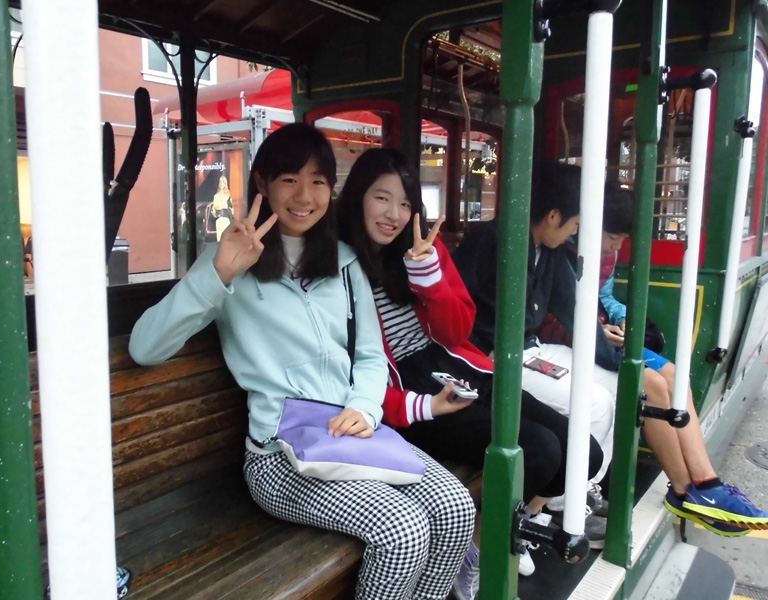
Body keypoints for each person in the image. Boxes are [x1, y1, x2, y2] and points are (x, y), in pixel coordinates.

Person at [129, 123, 475, 600]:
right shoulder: (229, 260)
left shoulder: (345, 263)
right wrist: (218, 274)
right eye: (289, 179)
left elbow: (370, 355)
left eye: (318, 181)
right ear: (262, 183)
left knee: (456, 508)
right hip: (279, 458)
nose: (304, 196)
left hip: (353, 434)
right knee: (402, 530)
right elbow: (145, 347)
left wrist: (364, 408)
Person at [336, 148, 604, 596]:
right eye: (382, 198)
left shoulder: (421, 248)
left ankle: (492, 533)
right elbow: (352, 367)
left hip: (456, 368)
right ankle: (481, 545)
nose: (394, 215)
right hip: (403, 395)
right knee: (539, 449)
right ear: (358, 196)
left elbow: (457, 329)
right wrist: (420, 405)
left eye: (405, 203)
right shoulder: (339, 263)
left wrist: (428, 277)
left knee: (584, 453)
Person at [454, 161, 768, 537]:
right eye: (575, 223)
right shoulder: (490, 241)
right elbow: (456, 311)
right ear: (553, 216)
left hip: (532, 350)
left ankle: (604, 494)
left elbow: (577, 314)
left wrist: (621, 361)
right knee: (597, 403)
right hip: (493, 361)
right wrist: (475, 355)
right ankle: (556, 504)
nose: (577, 231)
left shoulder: (548, 251)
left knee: (634, 384)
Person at [212, 174, 235, 241]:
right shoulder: (215, 196)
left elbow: (232, 209)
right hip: (219, 220)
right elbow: (214, 209)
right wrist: (215, 214)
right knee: (219, 239)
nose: (221, 183)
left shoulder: (228, 195)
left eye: (223, 182)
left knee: (226, 239)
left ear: (225, 184)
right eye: (220, 182)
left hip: (226, 220)